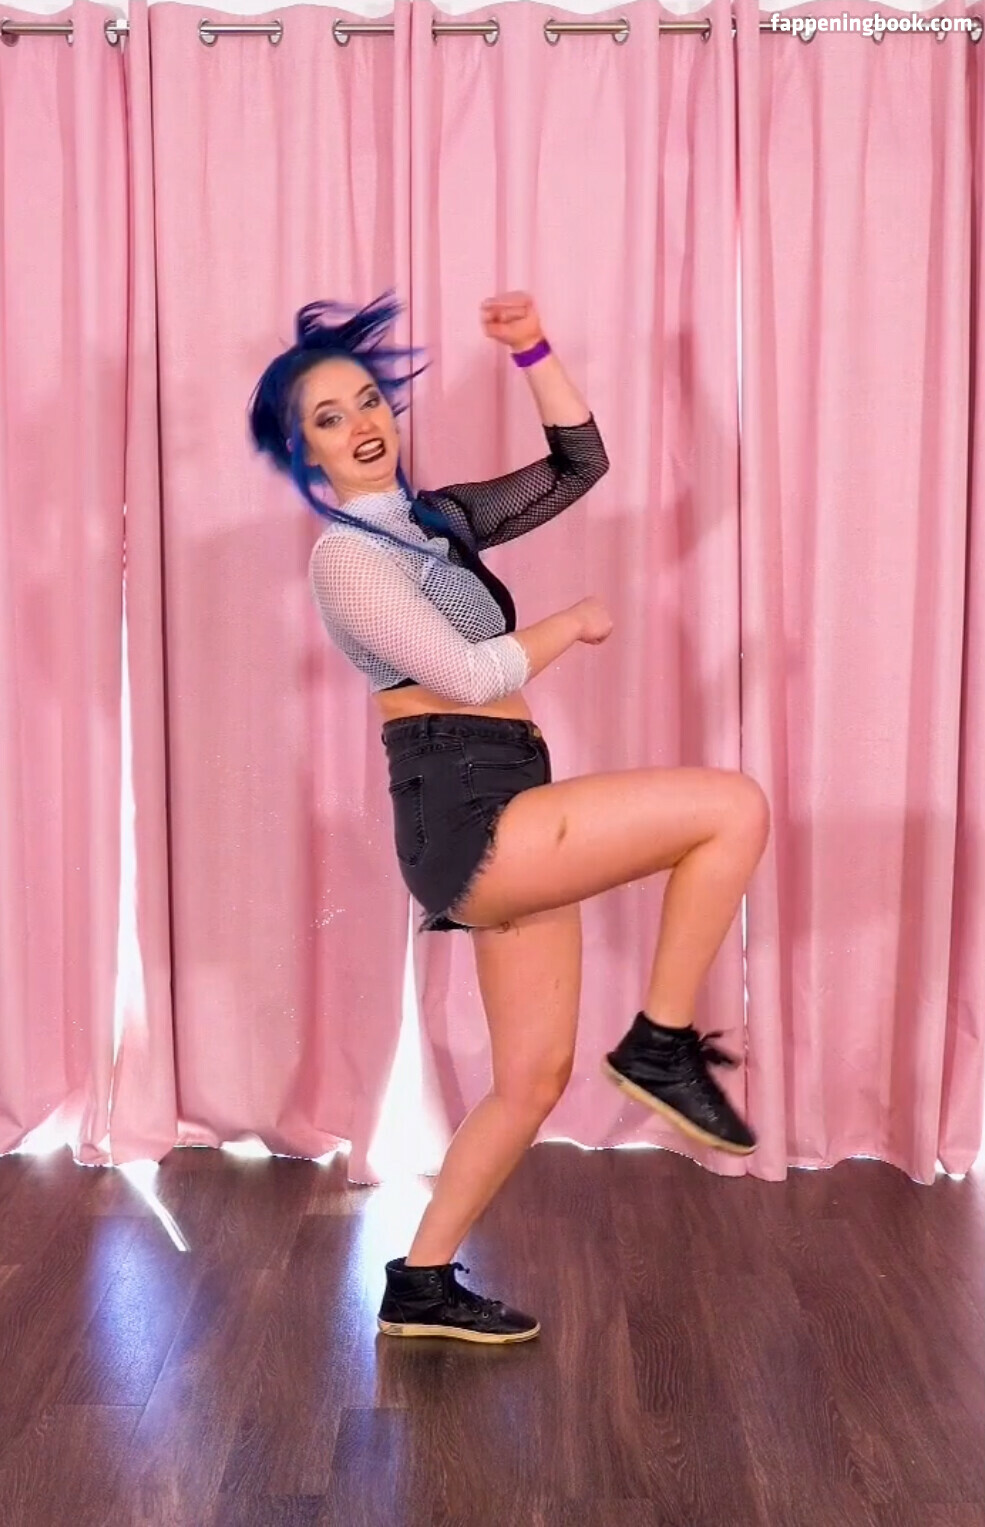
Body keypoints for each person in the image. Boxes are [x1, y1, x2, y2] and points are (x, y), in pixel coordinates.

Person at [248, 291, 770, 1345]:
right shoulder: (346, 557)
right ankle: (661, 1044)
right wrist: (570, 624)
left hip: (507, 789)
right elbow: (469, 671)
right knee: (730, 806)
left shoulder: (436, 521)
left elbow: (579, 466)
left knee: (531, 1078)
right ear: (304, 454)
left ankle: (420, 1283)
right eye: (328, 419)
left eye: (367, 401)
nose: (361, 424)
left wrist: (532, 349)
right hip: (464, 810)